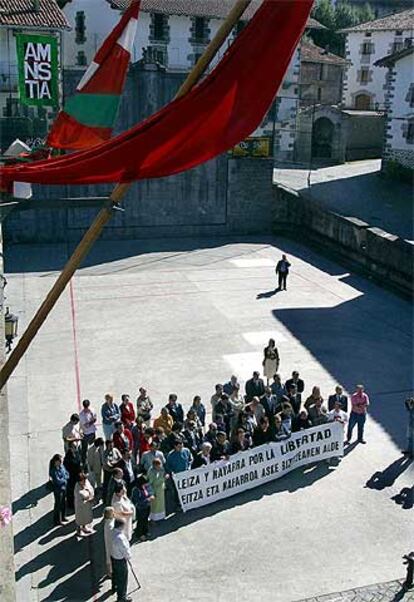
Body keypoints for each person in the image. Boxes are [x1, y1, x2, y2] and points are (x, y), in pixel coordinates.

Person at [110, 518, 132, 602]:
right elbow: (125, 550)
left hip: (113, 557)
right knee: (122, 579)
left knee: (115, 574)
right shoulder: (120, 538)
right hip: (120, 560)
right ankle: (122, 597)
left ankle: (114, 587)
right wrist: (129, 557)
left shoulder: (112, 532)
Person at [131, 476, 153, 541]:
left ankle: (145, 531)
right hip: (140, 508)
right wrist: (148, 500)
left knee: (145, 520)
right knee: (141, 521)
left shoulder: (144, 487)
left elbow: (149, 492)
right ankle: (139, 534)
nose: (146, 484)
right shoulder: (136, 490)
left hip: (147, 506)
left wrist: (151, 495)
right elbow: (138, 501)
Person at [49, 454, 69, 526]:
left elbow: (66, 473)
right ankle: (57, 520)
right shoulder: (53, 470)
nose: (61, 463)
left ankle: (63, 516)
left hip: (64, 488)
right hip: (58, 490)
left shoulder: (61, 467)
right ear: (56, 461)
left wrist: (65, 478)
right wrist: (64, 480)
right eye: (60, 461)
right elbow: (57, 481)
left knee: (63, 503)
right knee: (58, 505)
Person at [63, 441, 82, 510]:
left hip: (77, 475)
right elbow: (66, 469)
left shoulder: (76, 453)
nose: (75, 448)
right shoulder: (67, 458)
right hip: (71, 477)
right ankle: (70, 504)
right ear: (70, 448)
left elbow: (79, 461)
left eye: (76, 446)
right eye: (74, 447)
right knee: (71, 491)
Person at [103, 507, 115, 585]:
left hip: (108, 542)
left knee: (108, 556)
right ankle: (110, 572)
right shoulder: (110, 525)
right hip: (111, 544)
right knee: (110, 558)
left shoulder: (108, 522)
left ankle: (109, 571)